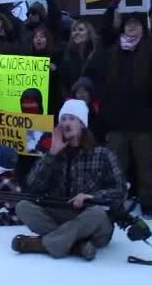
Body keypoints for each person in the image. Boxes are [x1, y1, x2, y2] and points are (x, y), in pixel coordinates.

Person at [11, 100, 126, 260]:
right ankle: (77, 246)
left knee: (98, 214)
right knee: (23, 207)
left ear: (82, 124)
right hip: (61, 214)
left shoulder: (103, 154)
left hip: (90, 218)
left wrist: (91, 197)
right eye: (63, 119)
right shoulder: (53, 151)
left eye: (72, 118)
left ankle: (44, 244)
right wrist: (51, 154)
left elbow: (120, 191)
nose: (66, 123)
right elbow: (33, 184)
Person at [100, 12, 152, 219]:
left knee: (145, 166)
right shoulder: (112, 52)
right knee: (117, 166)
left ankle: (147, 201)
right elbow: (103, 86)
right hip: (117, 122)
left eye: (135, 24)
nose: (131, 27)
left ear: (142, 28)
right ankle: (117, 201)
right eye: (128, 24)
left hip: (143, 123)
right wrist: (107, 113)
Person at [61, 20, 106, 101]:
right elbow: (65, 79)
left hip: (94, 100)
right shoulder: (68, 51)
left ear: (89, 33)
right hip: (73, 100)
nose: (76, 33)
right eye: (74, 30)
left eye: (81, 30)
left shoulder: (97, 51)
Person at [28, 26, 64, 115]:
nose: (38, 39)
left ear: (47, 40)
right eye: (35, 37)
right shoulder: (26, 58)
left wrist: (55, 70)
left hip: (51, 102)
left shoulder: (57, 56)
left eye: (41, 37)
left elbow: (63, 79)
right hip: (30, 102)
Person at [70, 77, 106, 145]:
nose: (81, 95)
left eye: (84, 92)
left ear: (90, 94)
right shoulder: (68, 114)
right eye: (78, 92)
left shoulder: (97, 111)